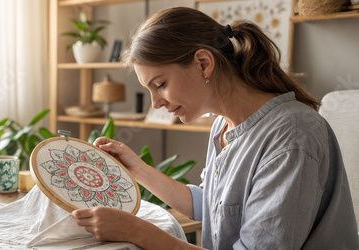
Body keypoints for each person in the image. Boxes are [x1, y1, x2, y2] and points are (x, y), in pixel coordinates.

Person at [71, 7, 359, 249]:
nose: (156, 103)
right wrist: (135, 167)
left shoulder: (293, 135)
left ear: (203, 63)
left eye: (160, 85)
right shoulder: (223, 124)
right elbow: (208, 206)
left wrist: (136, 232)